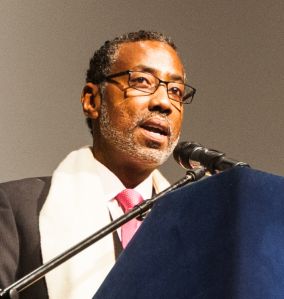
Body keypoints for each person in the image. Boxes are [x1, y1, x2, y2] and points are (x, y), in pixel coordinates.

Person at [0, 30, 196, 299]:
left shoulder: (195, 228)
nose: (164, 103)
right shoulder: (17, 208)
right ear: (92, 100)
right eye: (141, 81)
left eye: (176, 91)